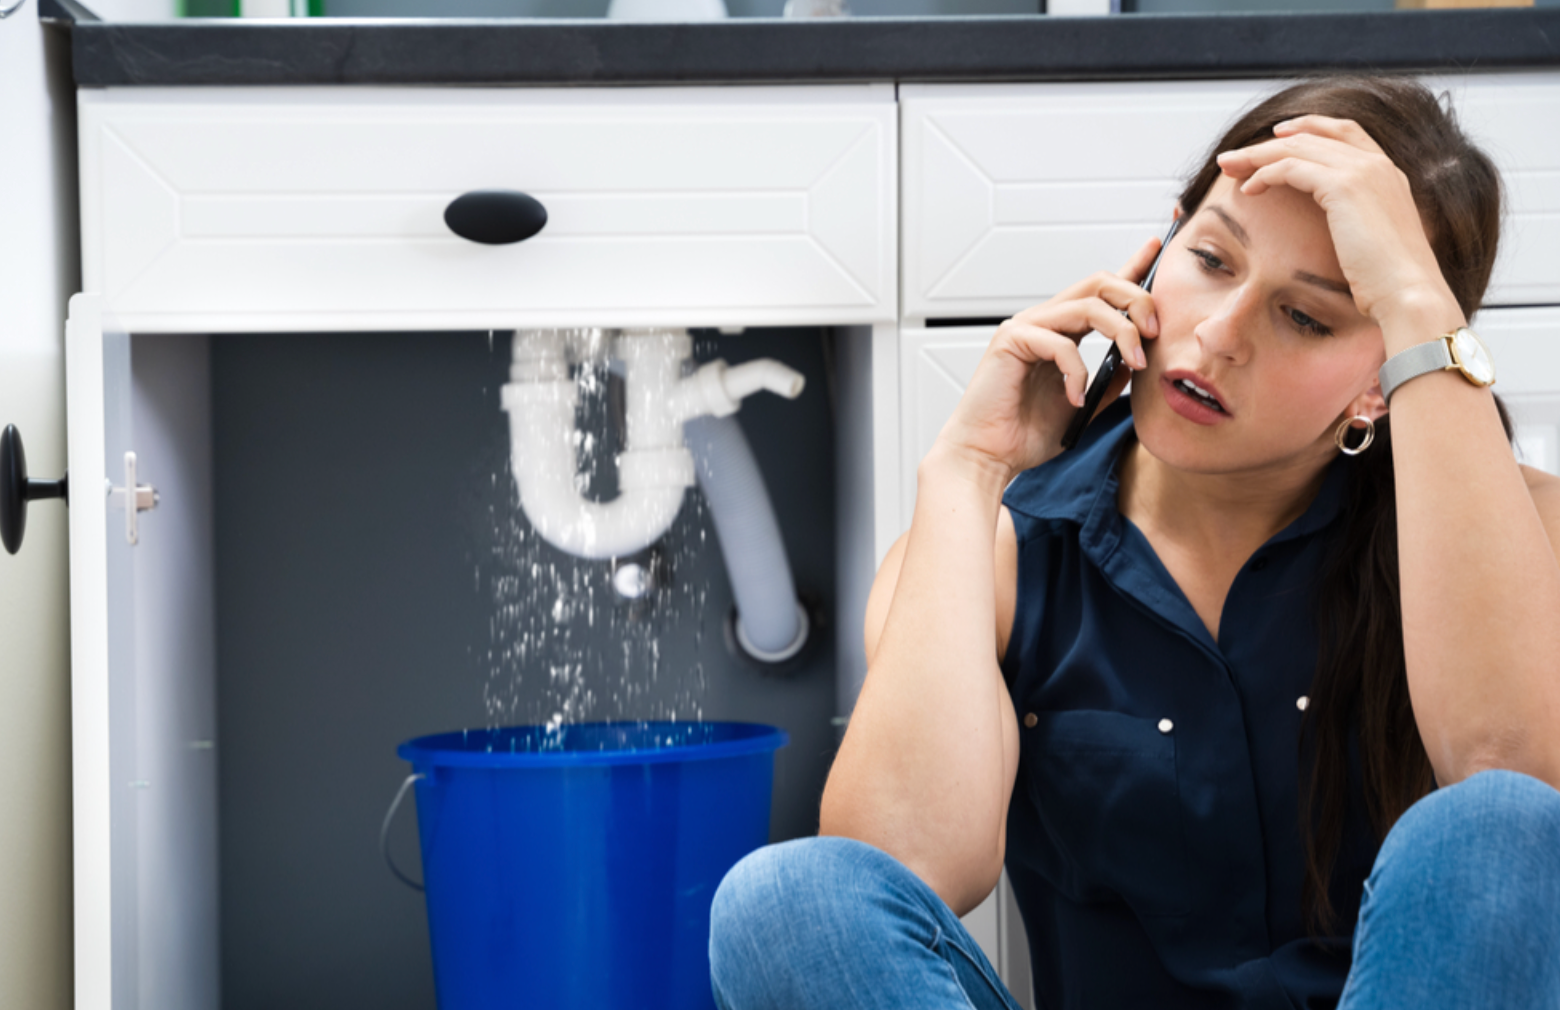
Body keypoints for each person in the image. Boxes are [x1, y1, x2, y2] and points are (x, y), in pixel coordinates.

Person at [708, 76, 1560, 1010]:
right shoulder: (993, 552)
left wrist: (1413, 303)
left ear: (1378, 379)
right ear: (1161, 248)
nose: (1221, 332)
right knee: (784, 899)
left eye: (1306, 316)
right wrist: (967, 470)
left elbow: (1517, 800)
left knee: (1503, 822)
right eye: (1212, 259)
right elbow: (893, 874)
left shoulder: (1520, 531)